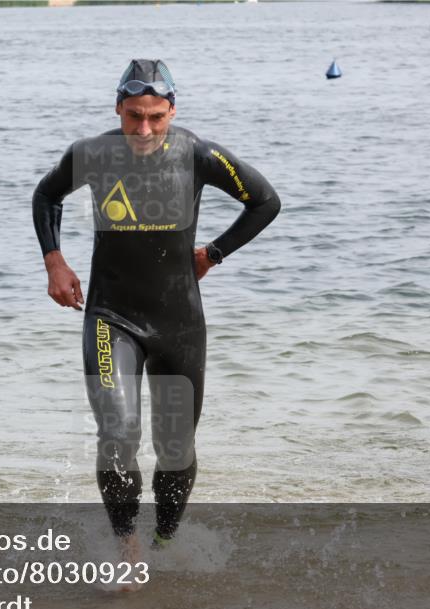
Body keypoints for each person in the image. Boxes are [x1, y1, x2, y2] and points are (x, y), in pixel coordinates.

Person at [32, 59, 281, 563]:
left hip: (179, 323)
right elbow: (46, 195)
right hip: (111, 316)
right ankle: (128, 548)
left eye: (155, 118)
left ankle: (166, 542)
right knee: (119, 432)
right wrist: (55, 261)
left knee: (175, 449)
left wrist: (213, 253)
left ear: (172, 111)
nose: (143, 129)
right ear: (118, 109)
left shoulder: (199, 155)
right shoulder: (91, 154)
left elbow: (264, 201)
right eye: (133, 117)